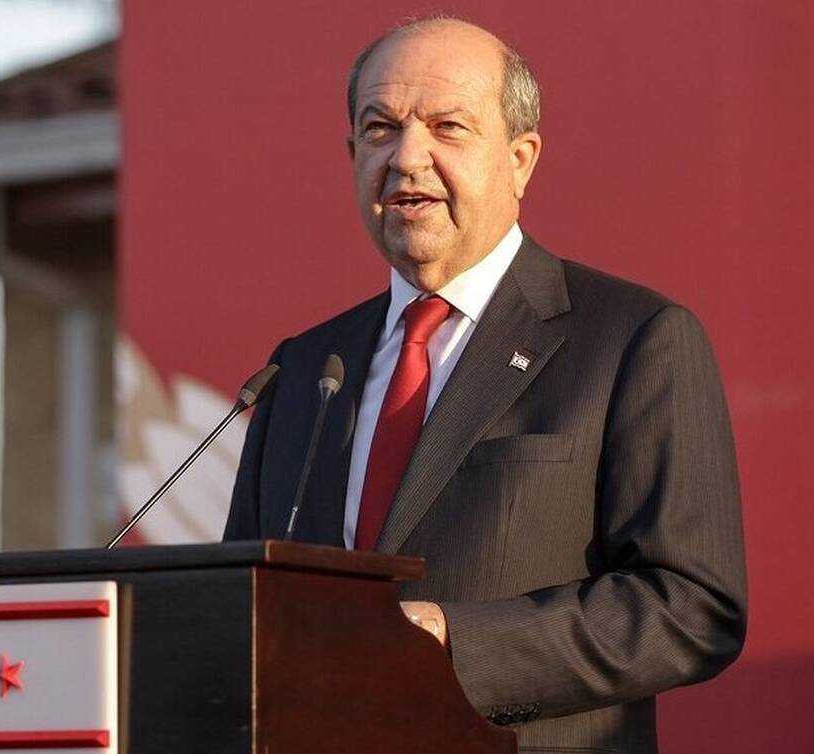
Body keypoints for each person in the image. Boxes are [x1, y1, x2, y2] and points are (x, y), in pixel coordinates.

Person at [222, 16, 747, 753]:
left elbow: (692, 607)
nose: (407, 158)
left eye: (448, 127)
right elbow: (237, 602)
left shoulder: (633, 340)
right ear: (352, 155)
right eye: (379, 129)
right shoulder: (305, 367)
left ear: (520, 160)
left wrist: (454, 640)